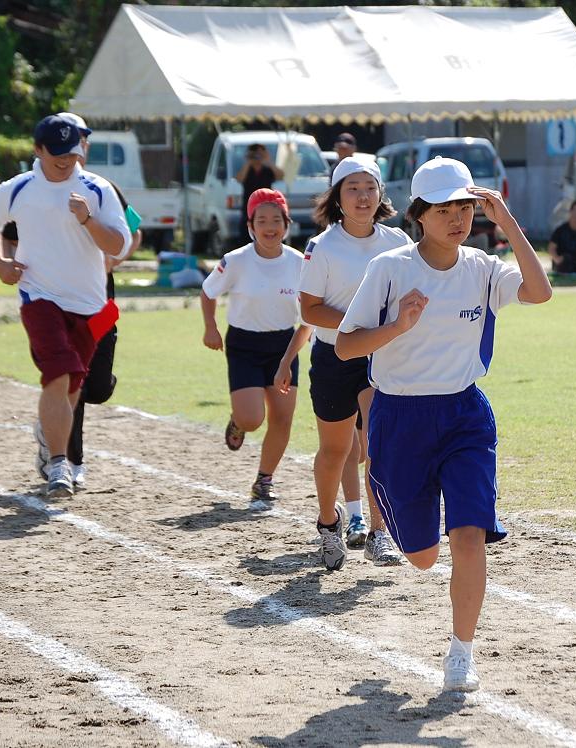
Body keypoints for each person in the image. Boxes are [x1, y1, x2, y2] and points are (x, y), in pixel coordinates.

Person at [335, 156, 552, 692]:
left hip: (464, 416)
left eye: (465, 206)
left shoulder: (481, 266)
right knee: (423, 556)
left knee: (468, 534)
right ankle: (407, 528)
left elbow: (540, 291)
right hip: (399, 417)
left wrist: (509, 224)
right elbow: (345, 346)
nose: (458, 217)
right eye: (444, 208)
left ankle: (462, 653)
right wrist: (397, 324)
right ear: (420, 214)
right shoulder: (390, 268)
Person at [0, 115, 131, 498]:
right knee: (60, 373)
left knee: (74, 385)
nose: (66, 159)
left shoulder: (98, 189)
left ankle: (49, 437)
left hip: (89, 301)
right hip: (38, 295)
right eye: (57, 152)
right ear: (38, 150)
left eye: (72, 151)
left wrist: (88, 221)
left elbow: (119, 246)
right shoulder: (19, 188)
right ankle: (59, 466)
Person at [294, 156, 408, 569]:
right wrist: (356, 323)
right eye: (352, 188)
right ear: (337, 198)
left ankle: (379, 532)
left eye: (369, 187)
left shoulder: (398, 242)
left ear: (381, 194)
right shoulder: (322, 246)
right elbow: (309, 309)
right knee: (336, 449)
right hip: (333, 356)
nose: (362, 196)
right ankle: (329, 524)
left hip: (379, 356)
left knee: (378, 442)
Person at [34, 112, 141, 489]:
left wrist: (115, 257)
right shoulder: (37, 188)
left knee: (96, 387)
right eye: (75, 139)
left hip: (100, 299)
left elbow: (134, 230)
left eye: (83, 140)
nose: (79, 147)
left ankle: (50, 426)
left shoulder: (103, 188)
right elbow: (12, 232)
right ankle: (71, 460)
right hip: (57, 300)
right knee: (68, 376)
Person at [201, 188, 304, 501]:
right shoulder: (236, 261)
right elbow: (208, 292)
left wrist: (294, 352)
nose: (270, 226)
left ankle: (264, 479)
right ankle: (238, 419)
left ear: (287, 224)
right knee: (252, 418)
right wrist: (211, 328)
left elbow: (309, 314)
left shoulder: (300, 263)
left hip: (284, 345)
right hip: (244, 344)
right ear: (251, 225)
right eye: (262, 220)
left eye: (277, 219)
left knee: (283, 417)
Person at [235, 143, 284, 240]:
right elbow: (239, 179)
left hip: (265, 208)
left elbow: (280, 176)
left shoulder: (267, 170)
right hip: (248, 210)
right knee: (246, 238)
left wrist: (268, 160)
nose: (257, 157)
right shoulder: (246, 170)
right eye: (255, 154)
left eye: (259, 154)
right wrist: (249, 162)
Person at [547, 200, 576, 273]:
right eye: (574, 210)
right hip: (562, 261)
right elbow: (551, 248)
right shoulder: (560, 230)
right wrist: (557, 259)